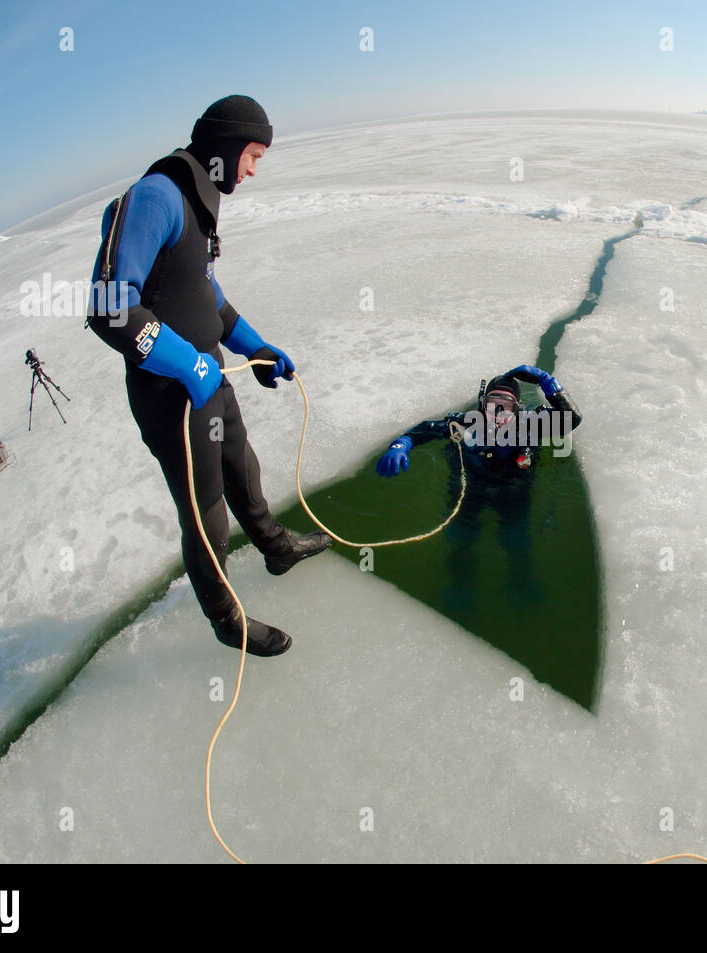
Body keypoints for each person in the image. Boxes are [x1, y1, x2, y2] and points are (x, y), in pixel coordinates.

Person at [86, 95, 330, 658]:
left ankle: (276, 548)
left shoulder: (198, 205)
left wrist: (256, 347)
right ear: (226, 146)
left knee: (243, 467)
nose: (252, 169)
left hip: (208, 379)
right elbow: (110, 308)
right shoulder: (156, 198)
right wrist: (188, 363)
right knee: (206, 510)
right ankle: (226, 620)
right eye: (253, 155)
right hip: (170, 395)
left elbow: (207, 299)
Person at [374, 365, 581, 608]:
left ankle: (520, 582)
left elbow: (571, 418)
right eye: (494, 402)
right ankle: (460, 584)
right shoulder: (463, 423)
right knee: (462, 540)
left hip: (514, 492)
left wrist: (545, 380)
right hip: (470, 490)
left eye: (508, 403)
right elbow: (423, 431)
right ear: (483, 403)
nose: (500, 411)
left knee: (515, 541)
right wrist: (400, 445)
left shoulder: (531, 425)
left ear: (518, 407)